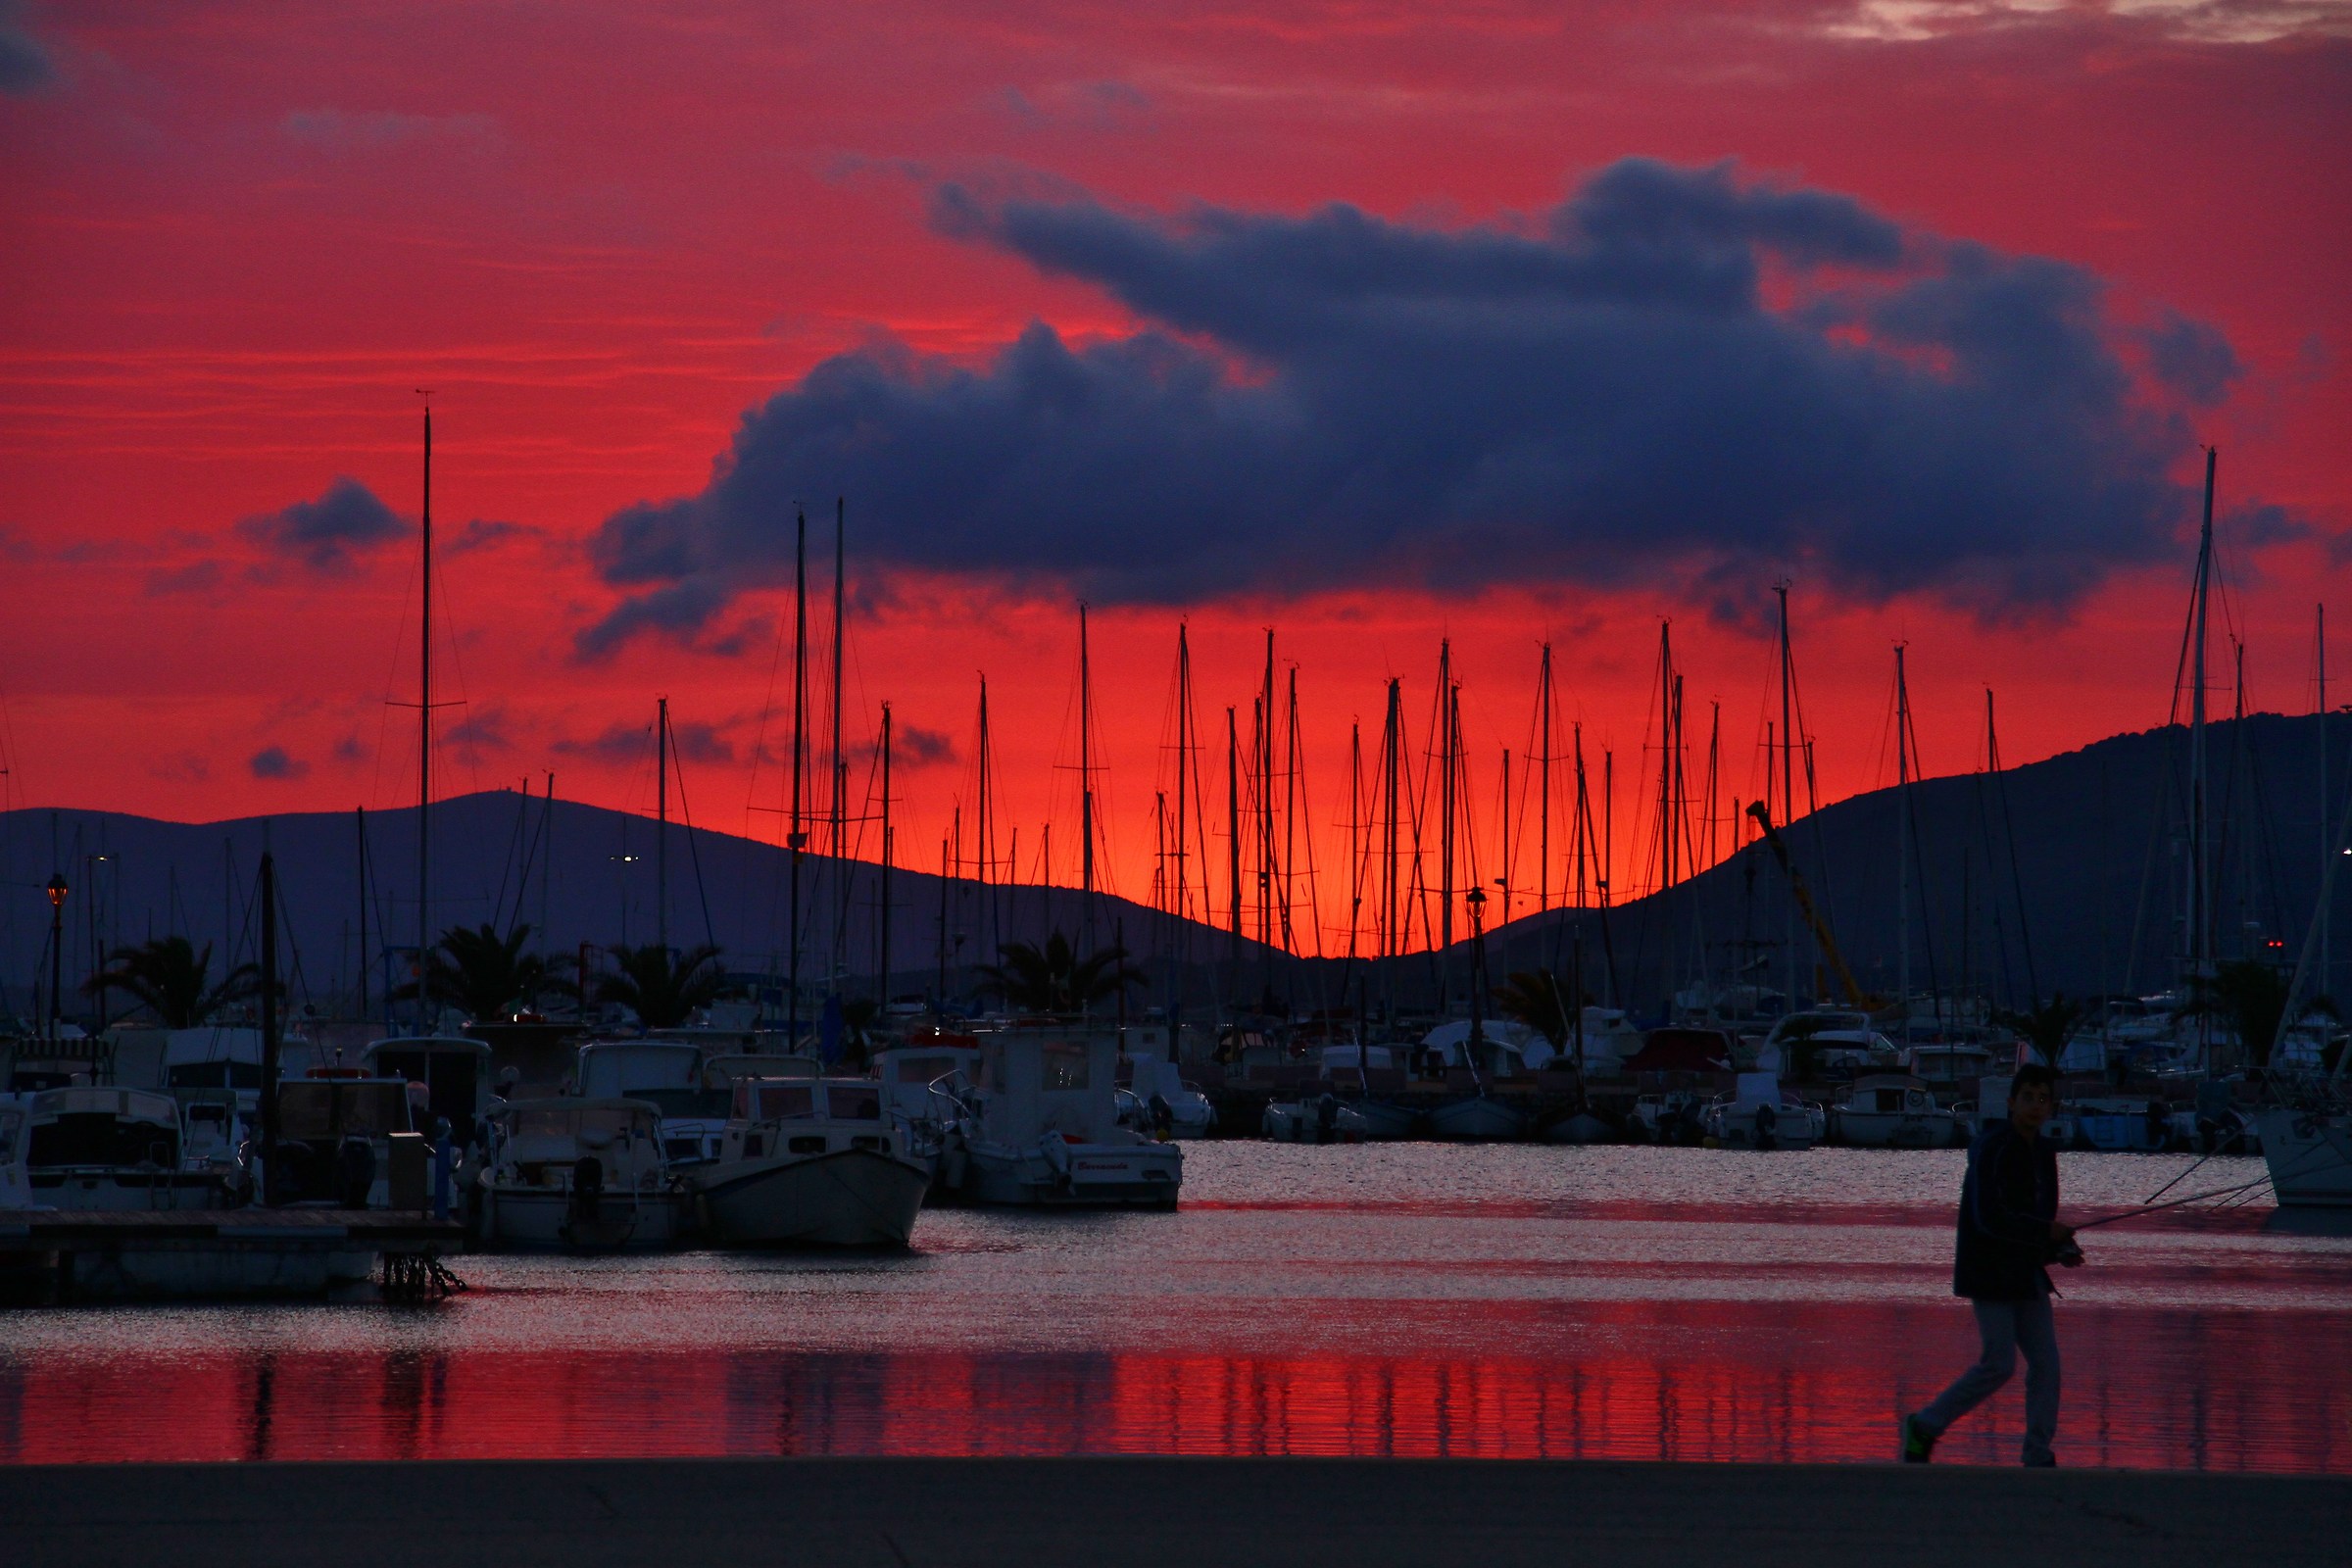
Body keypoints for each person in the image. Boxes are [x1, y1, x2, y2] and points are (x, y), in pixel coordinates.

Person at [1902, 1062, 2082, 1466]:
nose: (2035, 1106)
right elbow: (1988, 1217)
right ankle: (1924, 1425)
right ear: (2011, 1102)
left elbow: (2039, 1219)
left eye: (2042, 1099)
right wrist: (2044, 1233)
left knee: (2046, 1366)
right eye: (2028, 1098)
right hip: (1989, 1272)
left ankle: (2037, 1452)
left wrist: (2060, 1249)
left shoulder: (2043, 1153)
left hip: (2026, 1273)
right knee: (1999, 1363)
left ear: (2051, 1107)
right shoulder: (1993, 1147)